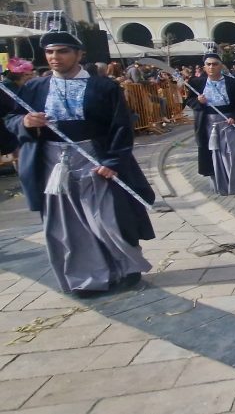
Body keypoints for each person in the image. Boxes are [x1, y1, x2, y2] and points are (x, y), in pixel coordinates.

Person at [4, 31, 154, 297]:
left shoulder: (104, 87)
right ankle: (86, 278)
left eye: (62, 51)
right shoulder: (34, 87)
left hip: (94, 158)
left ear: (79, 55)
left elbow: (120, 126)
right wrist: (26, 123)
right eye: (50, 52)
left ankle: (127, 269)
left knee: (108, 219)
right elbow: (12, 119)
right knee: (66, 225)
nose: (54, 57)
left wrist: (112, 161)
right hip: (52, 162)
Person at [185, 50, 235, 197]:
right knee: (215, 155)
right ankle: (221, 185)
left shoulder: (232, 83)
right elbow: (189, 101)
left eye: (215, 64)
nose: (211, 67)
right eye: (208, 64)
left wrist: (234, 116)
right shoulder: (197, 83)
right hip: (208, 124)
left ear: (221, 66)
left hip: (229, 123)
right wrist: (198, 102)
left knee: (234, 153)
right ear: (204, 67)